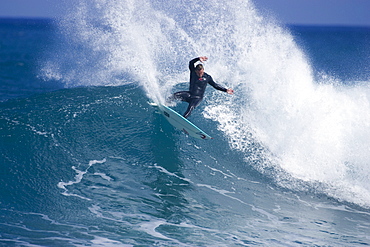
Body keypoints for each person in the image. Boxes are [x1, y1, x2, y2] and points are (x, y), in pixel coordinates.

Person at [169, 56, 234, 118]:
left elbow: (215, 85)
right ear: (196, 71)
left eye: (201, 73)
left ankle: (182, 120)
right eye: (198, 73)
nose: (200, 74)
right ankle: (165, 104)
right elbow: (191, 62)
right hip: (189, 94)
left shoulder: (207, 77)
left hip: (197, 98)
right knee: (174, 95)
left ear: (203, 70)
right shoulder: (193, 72)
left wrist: (226, 90)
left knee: (190, 108)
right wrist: (198, 58)